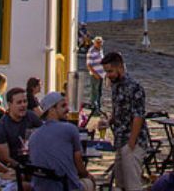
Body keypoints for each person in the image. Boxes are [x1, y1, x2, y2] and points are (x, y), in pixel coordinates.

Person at [27, 92, 94, 191]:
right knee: (90, 182)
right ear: (52, 110)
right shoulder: (70, 129)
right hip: (66, 187)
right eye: (63, 106)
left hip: (40, 188)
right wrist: (87, 175)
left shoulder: (34, 136)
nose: (67, 109)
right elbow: (79, 162)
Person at [103, 51, 148, 191]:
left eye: (110, 71)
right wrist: (108, 121)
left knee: (132, 185)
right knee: (120, 185)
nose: (108, 75)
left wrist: (131, 143)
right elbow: (119, 110)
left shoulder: (134, 87)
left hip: (132, 142)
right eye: (106, 72)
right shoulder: (115, 85)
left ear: (120, 67)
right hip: (120, 140)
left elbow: (138, 116)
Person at [0, 87, 43, 169]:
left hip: (34, 162)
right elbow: (5, 158)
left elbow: (45, 134)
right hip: (14, 168)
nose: (23, 105)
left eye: (25, 102)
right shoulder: (1, 127)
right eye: (19, 102)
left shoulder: (31, 116)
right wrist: (22, 169)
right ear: (9, 105)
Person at [85, 38, 106, 114]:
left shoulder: (100, 50)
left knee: (99, 92)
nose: (100, 44)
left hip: (101, 75)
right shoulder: (91, 51)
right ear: (95, 43)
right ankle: (94, 110)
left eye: (100, 43)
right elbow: (89, 65)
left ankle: (98, 108)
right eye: (98, 43)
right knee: (94, 93)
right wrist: (95, 73)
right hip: (95, 75)